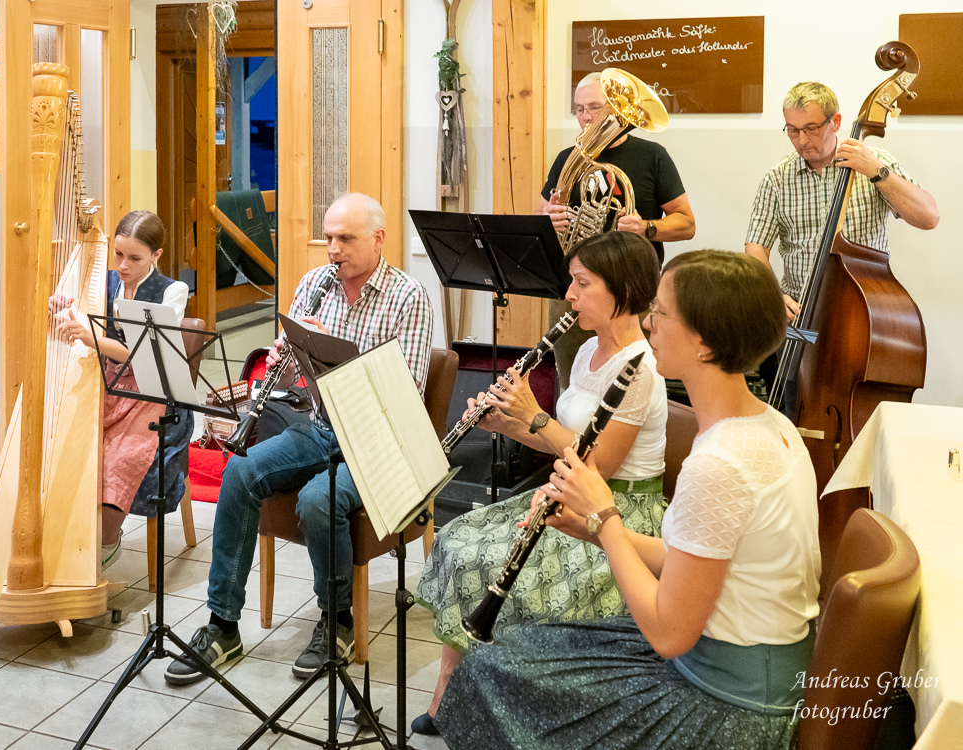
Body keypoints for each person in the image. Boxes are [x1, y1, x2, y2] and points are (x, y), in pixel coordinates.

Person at [436, 250, 821, 749]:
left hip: (729, 704)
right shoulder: (770, 425)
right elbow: (693, 561)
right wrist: (589, 528)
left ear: (704, 343)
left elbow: (668, 634)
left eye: (661, 312)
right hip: (725, 666)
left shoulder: (721, 463)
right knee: (510, 653)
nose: (648, 322)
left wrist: (607, 518)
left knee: (490, 674)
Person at [164, 193, 434, 686]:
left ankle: (337, 621)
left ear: (378, 239)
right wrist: (288, 358)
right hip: (321, 424)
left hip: (381, 439)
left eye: (345, 238)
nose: (333, 249)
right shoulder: (313, 284)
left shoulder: (408, 296)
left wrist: (330, 351)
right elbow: (290, 383)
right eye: (328, 238)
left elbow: (408, 392)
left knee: (317, 499)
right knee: (240, 470)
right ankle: (223, 624)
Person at [412, 231, 668, 736]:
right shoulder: (588, 349)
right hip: (567, 492)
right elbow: (559, 440)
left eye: (582, 284)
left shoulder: (642, 369)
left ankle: (483, 699)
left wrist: (533, 415)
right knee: (458, 539)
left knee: (491, 563)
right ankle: (451, 686)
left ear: (622, 288)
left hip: (615, 511)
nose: (569, 295)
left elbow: (599, 466)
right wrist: (504, 423)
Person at [745, 82, 938, 407]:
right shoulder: (777, 179)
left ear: (835, 122)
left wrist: (877, 171)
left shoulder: (875, 162)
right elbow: (755, 251)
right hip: (801, 321)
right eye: (792, 130)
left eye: (810, 129)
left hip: (861, 321)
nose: (801, 140)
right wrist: (773, 295)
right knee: (793, 402)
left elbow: (928, 217)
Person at [539, 70, 695, 390]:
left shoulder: (653, 156)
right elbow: (539, 217)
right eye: (579, 109)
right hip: (575, 291)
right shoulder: (566, 158)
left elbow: (686, 223)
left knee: (635, 384)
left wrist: (646, 227)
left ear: (615, 108)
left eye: (594, 107)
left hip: (631, 291)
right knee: (572, 385)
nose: (585, 117)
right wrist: (547, 218)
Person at [56, 211, 192, 570]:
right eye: (118, 254)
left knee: (121, 456)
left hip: (152, 392)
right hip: (109, 384)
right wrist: (61, 306)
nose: (123, 265)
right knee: (72, 442)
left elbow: (147, 353)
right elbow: (73, 309)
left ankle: (105, 540)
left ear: (156, 255)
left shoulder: (172, 291)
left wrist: (94, 338)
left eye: (135, 258)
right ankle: (71, 536)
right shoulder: (104, 282)